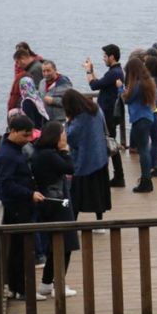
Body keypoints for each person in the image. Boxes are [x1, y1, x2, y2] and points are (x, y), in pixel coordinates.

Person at [0, 115, 46, 300]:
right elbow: (6, 184)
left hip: (22, 205)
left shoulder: (14, 148)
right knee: (23, 249)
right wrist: (29, 194)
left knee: (18, 249)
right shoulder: (6, 155)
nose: (28, 139)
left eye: (30, 135)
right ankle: (23, 291)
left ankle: (17, 289)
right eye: (25, 135)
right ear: (13, 131)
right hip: (17, 207)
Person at [29, 121, 79, 298]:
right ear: (55, 137)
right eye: (62, 134)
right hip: (58, 204)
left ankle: (46, 284)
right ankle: (59, 284)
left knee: (56, 245)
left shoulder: (40, 153)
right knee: (66, 244)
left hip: (50, 203)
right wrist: (65, 151)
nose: (65, 137)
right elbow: (70, 168)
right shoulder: (50, 155)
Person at [61, 89, 112, 222]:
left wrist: (67, 123)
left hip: (84, 161)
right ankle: (99, 220)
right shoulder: (96, 109)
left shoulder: (79, 119)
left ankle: (73, 220)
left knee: (76, 194)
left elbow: (71, 137)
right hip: (100, 158)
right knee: (98, 193)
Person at [85, 44, 125, 187]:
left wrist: (88, 71)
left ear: (111, 57)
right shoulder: (115, 71)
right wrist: (92, 72)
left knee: (109, 144)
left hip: (108, 114)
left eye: (104, 56)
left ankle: (117, 176)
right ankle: (118, 176)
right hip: (110, 114)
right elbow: (100, 83)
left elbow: (93, 86)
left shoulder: (114, 73)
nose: (103, 59)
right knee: (110, 144)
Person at [121, 56, 157, 193]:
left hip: (139, 119)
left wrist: (120, 89)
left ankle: (146, 181)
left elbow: (127, 100)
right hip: (147, 117)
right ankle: (146, 180)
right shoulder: (147, 82)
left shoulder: (137, 84)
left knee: (143, 151)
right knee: (144, 150)